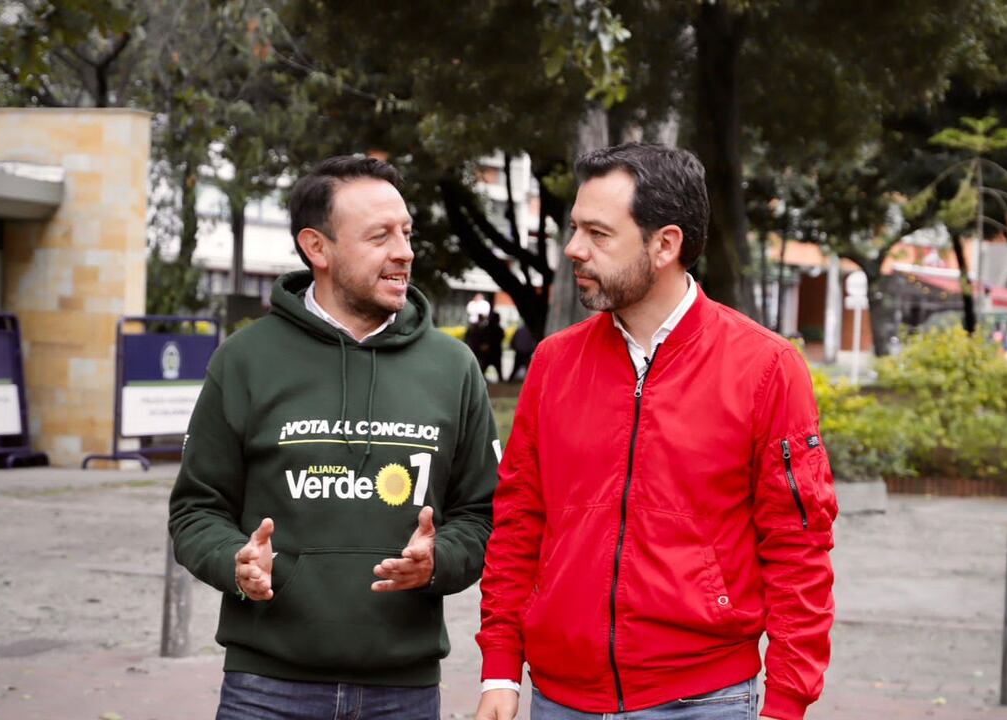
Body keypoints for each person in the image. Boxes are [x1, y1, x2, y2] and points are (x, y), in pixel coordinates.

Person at [475, 143, 838, 720]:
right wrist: (499, 668)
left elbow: (798, 548)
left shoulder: (766, 368)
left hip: (704, 700)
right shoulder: (553, 363)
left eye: (598, 233)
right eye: (575, 228)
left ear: (665, 244)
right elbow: (518, 524)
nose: (574, 249)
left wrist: (787, 701)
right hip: (559, 697)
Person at [169, 155, 499, 720]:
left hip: (404, 690)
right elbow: (196, 511)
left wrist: (439, 559)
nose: (404, 251)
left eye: (406, 233)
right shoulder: (245, 360)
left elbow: (484, 514)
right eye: (380, 236)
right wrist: (234, 563)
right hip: (266, 688)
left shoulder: (454, 367)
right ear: (317, 248)